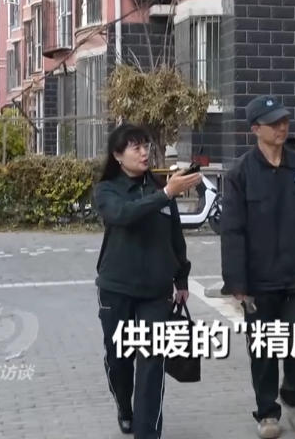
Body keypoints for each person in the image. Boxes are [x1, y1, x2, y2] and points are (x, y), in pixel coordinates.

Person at [220, 95, 295, 439]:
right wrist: (236, 282)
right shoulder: (240, 173)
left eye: (284, 121)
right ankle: (267, 412)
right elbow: (232, 231)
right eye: (274, 123)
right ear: (255, 129)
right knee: (264, 349)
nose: (282, 128)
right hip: (259, 282)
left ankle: (294, 395)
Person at [93, 124, 201, 439]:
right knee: (119, 359)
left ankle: (147, 432)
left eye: (146, 146)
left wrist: (182, 278)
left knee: (153, 362)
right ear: (117, 155)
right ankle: (124, 408)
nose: (144, 153)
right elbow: (123, 215)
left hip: (155, 292)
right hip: (117, 289)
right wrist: (166, 193)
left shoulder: (160, 189)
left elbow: (175, 236)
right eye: (136, 147)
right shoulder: (107, 190)